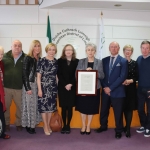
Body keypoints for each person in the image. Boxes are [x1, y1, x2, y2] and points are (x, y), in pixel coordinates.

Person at [95, 41, 128, 139]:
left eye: (115, 47)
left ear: (118, 48)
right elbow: (101, 75)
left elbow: (122, 77)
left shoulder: (123, 61)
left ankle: (118, 130)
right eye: (111, 47)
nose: (113, 48)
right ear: (109, 48)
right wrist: (105, 87)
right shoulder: (104, 60)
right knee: (104, 110)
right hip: (105, 90)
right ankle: (103, 126)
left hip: (117, 91)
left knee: (118, 112)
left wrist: (111, 88)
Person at [75, 43, 104, 135]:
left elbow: (102, 75)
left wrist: (94, 73)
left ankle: (88, 126)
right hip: (83, 89)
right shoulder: (81, 61)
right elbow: (76, 75)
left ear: (95, 51)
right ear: (86, 51)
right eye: (88, 50)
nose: (90, 51)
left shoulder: (99, 62)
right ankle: (83, 125)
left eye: (92, 50)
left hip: (94, 89)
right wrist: (84, 72)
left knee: (91, 107)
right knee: (83, 107)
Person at [3, 40, 26, 131]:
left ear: (21, 47)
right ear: (11, 47)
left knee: (20, 107)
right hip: (6, 87)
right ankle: (6, 123)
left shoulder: (26, 57)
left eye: (19, 46)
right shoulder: (4, 57)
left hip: (19, 88)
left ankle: (19, 123)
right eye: (15, 45)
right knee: (5, 107)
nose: (17, 47)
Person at [37, 43, 58, 136]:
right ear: (46, 50)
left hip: (53, 88)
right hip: (44, 87)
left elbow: (56, 75)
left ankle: (48, 124)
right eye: (50, 49)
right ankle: (45, 125)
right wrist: (39, 90)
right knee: (44, 108)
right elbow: (38, 77)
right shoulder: (42, 61)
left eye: (53, 50)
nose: (51, 51)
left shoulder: (56, 61)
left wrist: (57, 88)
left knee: (50, 108)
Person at [22, 40, 42, 134]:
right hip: (29, 84)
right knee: (29, 106)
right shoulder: (28, 58)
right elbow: (24, 74)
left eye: (38, 46)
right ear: (32, 47)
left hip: (37, 85)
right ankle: (29, 126)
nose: (37, 48)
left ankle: (32, 124)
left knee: (34, 106)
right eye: (35, 46)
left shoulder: (40, 58)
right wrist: (27, 87)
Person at [57, 44, 79, 134]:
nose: (68, 51)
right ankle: (63, 125)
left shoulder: (77, 61)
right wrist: (65, 84)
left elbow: (77, 74)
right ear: (64, 52)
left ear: (73, 51)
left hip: (72, 87)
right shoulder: (59, 61)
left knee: (69, 107)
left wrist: (70, 84)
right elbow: (59, 74)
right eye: (66, 50)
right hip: (62, 87)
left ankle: (68, 125)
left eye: (70, 50)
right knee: (63, 107)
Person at [122, 45, 137, 138]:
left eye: (130, 50)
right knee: (123, 108)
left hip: (131, 89)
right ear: (123, 51)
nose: (128, 52)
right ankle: (125, 126)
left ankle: (128, 128)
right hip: (121, 88)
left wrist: (129, 81)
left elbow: (137, 76)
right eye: (126, 50)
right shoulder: (120, 62)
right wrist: (123, 81)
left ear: (132, 52)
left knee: (129, 109)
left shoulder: (135, 63)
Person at [136, 41, 150, 137]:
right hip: (140, 88)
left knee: (149, 110)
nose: (145, 50)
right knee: (140, 109)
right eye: (143, 48)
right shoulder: (139, 58)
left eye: (147, 48)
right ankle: (144, 125)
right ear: (140, 48)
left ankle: (148, 127)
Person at [0, 46, 10, 139]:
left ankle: (2, 133)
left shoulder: (1, 64)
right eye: (0, 53)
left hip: (1, 92)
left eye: (2, 54)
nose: (1, 56)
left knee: (1, 114)